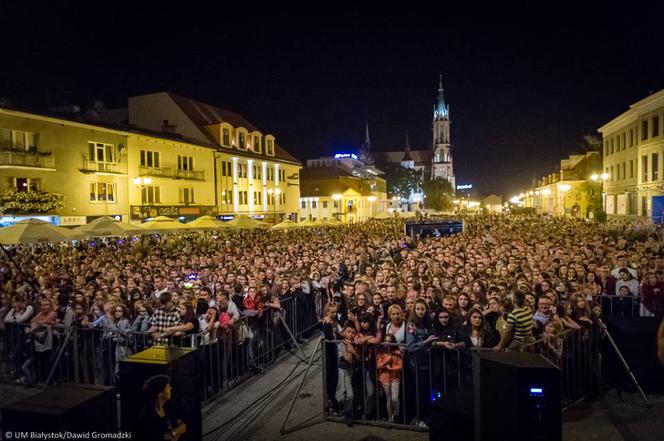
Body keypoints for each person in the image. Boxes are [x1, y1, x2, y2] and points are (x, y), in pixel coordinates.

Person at [135, 375, 187, 441]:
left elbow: (183, 427)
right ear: (160, 394)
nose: (171, 388)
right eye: (167, 387)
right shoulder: (147, 416)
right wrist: (177, 432)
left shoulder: (168, 406)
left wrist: (171, 434)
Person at [336, 324, 359, 426]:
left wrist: (353, 350)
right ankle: (347, 413)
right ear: (344, 332)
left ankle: (347, 409)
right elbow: (348, 358)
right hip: (344, 370)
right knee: (349, 394)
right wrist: (350, 348)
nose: (350, 334)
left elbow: (359, 358)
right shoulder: (341, 344)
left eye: (353, 333)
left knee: (349, 393)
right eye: (348, 332)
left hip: (353, 370)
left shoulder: (355, 344)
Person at [376, 333, 402, 423]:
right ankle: (390, 417)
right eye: (386, 341)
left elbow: (400, 366)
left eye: (389, 341)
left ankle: (397, 414)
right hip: (384, 378)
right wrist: (386, 361)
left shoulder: (397, 353)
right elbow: (378, 366)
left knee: (395, 398)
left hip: (395, 377)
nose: (387, 343)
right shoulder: (381, 353)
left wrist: (392, 368)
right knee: (388, 398)